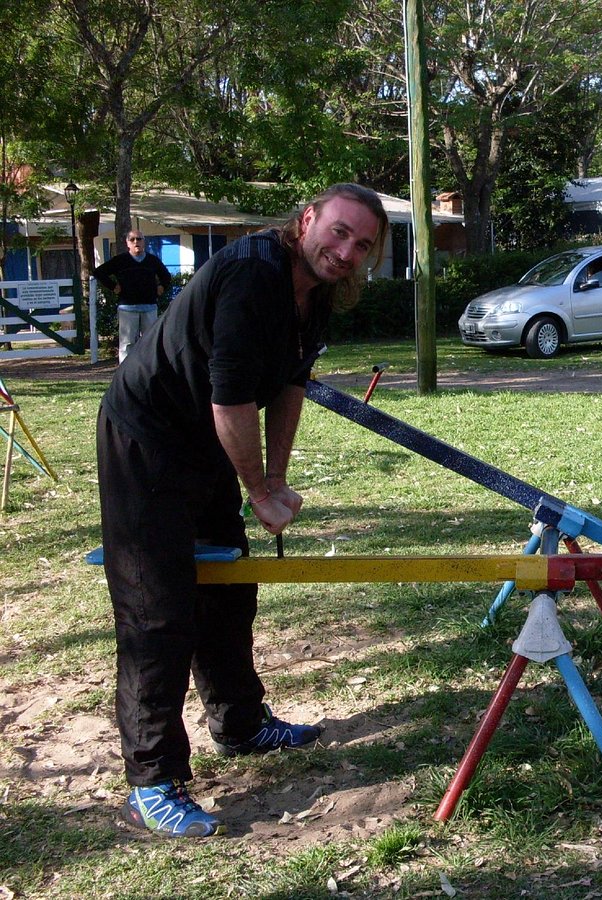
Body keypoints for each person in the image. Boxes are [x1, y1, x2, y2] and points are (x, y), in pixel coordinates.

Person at [96, 184, 388, 838]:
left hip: (205, 442)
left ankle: (240, 725)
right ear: (307, 220)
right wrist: (258, 491)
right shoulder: (252, 276)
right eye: (338, 232)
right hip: (147, 437)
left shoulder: (314, 296)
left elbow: (287, 388)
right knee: (159, 610)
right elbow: (230, 402)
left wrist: (276, 479)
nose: (346, 252)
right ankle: (151, 782)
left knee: (228, 591)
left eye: (361, 245)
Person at [93, 229, 173, 363]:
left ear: (144, 242)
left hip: (149, 307)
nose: (136, 242)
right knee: (127, 344)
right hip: (127, 308)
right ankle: (125, 374)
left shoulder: (152, 260)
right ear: (127, 243)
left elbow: (166, 276)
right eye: (132, 240)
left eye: (139, 239)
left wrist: (161, 287)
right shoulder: (120, 260)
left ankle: (148, 372)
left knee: (150, 342)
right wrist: (113, 287)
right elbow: (99, 272)